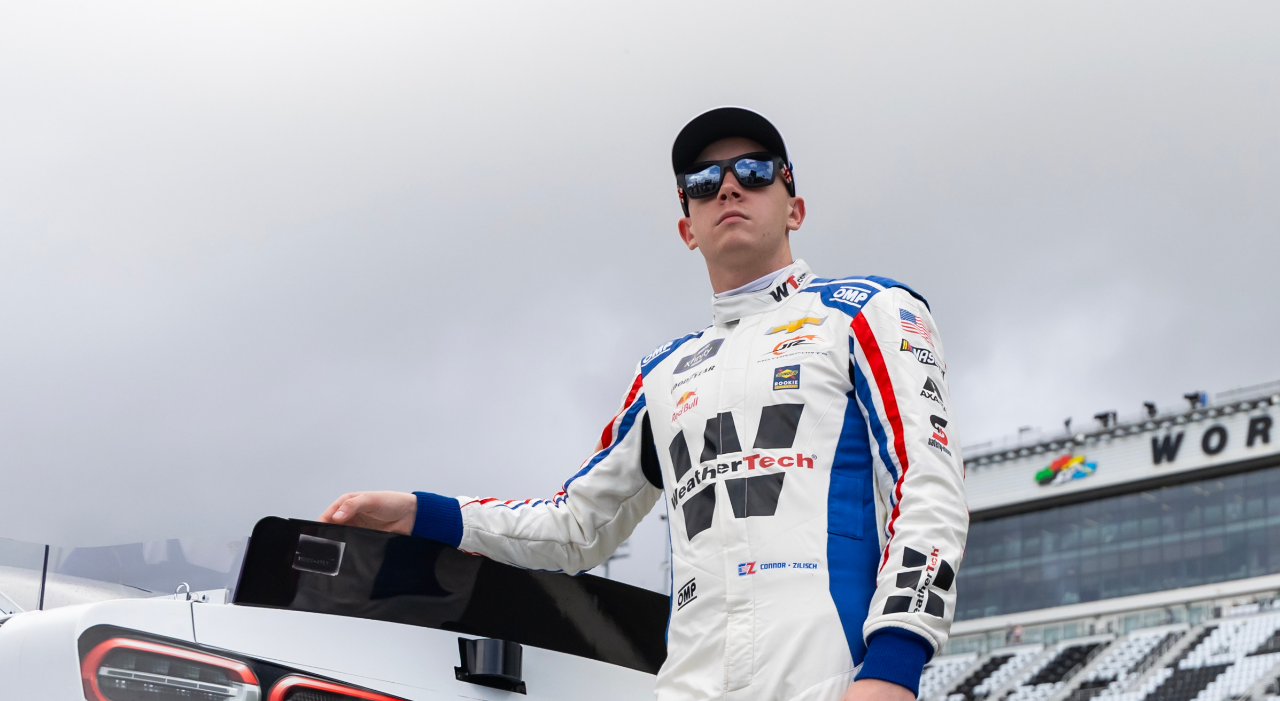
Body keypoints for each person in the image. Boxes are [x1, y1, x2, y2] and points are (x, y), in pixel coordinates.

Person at [320, 107, 969, 701]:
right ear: (688, 226)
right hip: (689, 683)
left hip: (828, 674)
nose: (729, 188)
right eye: (704, 180)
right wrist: (421, 514)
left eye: (753, 170)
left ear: (794, 205)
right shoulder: (663, 373)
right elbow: (577, 527)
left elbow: (930, 490)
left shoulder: (868, 311)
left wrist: (894, 665)